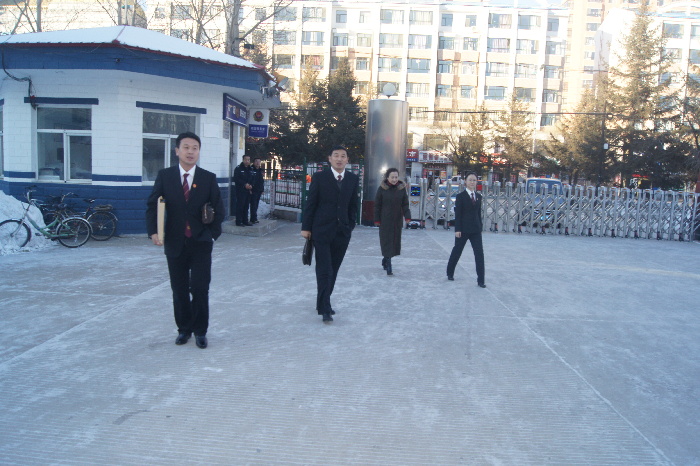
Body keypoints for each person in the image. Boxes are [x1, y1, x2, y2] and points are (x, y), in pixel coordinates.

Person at [146, 132, 225, 348]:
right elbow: (152, 205)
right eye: (186, 147)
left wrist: (212, 235)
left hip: (201, 243)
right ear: (177, 151)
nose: (191, 152)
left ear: (199, 152)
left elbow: (219, 209)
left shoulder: (208, 178)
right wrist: (154, 231)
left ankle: (200, 331)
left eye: (195, 148)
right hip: (174, 242)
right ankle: (184, 329)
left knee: (200, 288)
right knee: (179, 289)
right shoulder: (166, 176)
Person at [301, 146, 359, 323]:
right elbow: (311, 203)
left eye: (343, 156)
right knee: (324, 269)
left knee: (333, 269)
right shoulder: (320, 177)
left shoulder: (352, 179)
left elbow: (353, 205)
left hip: (342, 233)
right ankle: (325, 307)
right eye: (336, 156)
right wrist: (306, 227)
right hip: (321, 231)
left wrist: (350, 225)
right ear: (330, 159)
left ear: (347, 160)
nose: (339, 159)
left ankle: (322, 302)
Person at [446, 172, 485, 288]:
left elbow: (478, 213)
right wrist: (457, 229)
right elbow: (458, 214)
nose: (472, 182)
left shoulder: (479, 196)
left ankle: (481, 280)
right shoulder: (460, 196)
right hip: (463, 230)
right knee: (457, 251)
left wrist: (480, 227)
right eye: (470, 180)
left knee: (479, 254)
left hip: (476, 230)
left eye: (474, 180)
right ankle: (450, 272)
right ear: (465, 182)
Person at [374, 168, 411, 276]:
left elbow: (405, 204)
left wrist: (407, 216)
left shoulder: (401, 189)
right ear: (387, 177)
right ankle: (388, 263)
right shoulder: (382, 189)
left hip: (397, 220)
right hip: (384, 220)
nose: (394, 179)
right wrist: (376, 219)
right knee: (386, 241)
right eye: (392, 177)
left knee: (394, 241)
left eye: (396, 177)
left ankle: (386, 259)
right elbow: (377, 206)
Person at [233, 154, 253, 226]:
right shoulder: (238, 168)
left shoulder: (250, 169)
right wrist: (244, 184)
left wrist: (251, 185)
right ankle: (239, 221)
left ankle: (245, 221)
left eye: (248, 160)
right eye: (246, 159)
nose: (247, 161)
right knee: (240, 206)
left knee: (246, 206)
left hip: (248, 191)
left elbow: (252, 179)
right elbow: (236, 179)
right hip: (241, 191)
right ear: (243, 160)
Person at [249, 157, 265, 224]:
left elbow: (261, 181)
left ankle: (254, 218)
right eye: (256, 161)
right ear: (254, 162)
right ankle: (252, 218)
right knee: (253, 204)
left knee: (256, 204)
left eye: (259, 161)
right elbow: (249, 179)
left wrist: (262, 190)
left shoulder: (260, 170)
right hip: (253, 190)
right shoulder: (251, 169)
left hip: (259, 190)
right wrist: (250, 189)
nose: (258, 163)